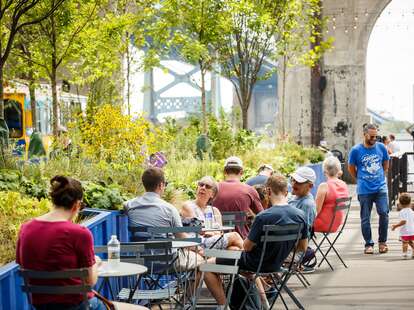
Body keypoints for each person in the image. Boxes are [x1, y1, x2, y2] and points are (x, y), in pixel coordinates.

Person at [16, 176, 128, 310]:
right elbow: (90, 281)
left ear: (54, 202)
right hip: (79, 306)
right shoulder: (79, 233)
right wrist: (96, 263)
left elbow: (23, 265)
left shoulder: (26, 229)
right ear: (77, 205)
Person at [203, 175, 309, 309]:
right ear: (286, 192)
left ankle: (224, 307)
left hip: (255, 264)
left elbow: (246, 247)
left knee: (206, 266)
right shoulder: (300, 215)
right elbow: (302, 247)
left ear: (268, 191)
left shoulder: (263, 217)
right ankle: (264, 302)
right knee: (234, 255)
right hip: (278, 263)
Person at [123, 167, 202, 268]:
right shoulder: (169, 209)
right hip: (168, 261)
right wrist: (198, 248)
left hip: (141, 261)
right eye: (165, 184)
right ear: (161, 185)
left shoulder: (129, 205)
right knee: (200, 260)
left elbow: (124, 206)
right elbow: (181, 237)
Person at [348, 123, 390, 255]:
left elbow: (386, 163)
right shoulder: (356, 150)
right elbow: (351, 168)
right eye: (371, 136)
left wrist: (380, 177)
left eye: (376, 136)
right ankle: (368, 244)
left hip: (380, 188)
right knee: (365, 218)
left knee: (384, 213)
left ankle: (382, 242)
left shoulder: (381, 147)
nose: (374, 139)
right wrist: (360, 179)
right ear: (364, 134)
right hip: (364, 189)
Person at [181, 176, 243, 250]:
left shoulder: (215, 211)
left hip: (211, 241)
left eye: (207, 186)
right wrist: (213, 233)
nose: (203, 187)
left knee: (234, 249)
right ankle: (252, 258)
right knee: (234, 235)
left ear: (212, 194)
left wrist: (213, 233)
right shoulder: (188, 206)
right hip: (198, 243)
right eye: (201, 184)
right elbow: (199, 230)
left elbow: (220, 233)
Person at [213, 156, 263, 239]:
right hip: (242, 240)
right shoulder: (249, 190)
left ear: (225, 171)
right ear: (241, 172)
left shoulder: (213, 188)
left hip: (216, 239)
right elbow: (262, 216)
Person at [314, 156, 350, 233]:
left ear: (324, 171)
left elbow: (316, 211)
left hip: (323, 224)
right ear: (339, 170)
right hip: (336, 224)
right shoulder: (344, 184)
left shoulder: (324, 186)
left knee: (300, 224)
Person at [288, 166, 317, 233]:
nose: (294, 183)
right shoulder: (294, 197)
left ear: (310, 186)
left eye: (299, 182)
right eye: (293, 180)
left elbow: (304, 232)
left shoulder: (307, 204)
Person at [392, 193, 414, 259]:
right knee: (410, 242)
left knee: (405, 243)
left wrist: (395, 226)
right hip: (412, 230)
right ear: (410, 203)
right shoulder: (412, 211)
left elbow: (403, 222)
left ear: (400, 204)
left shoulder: (402, 212)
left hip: (405, 231)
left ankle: (405, 254)